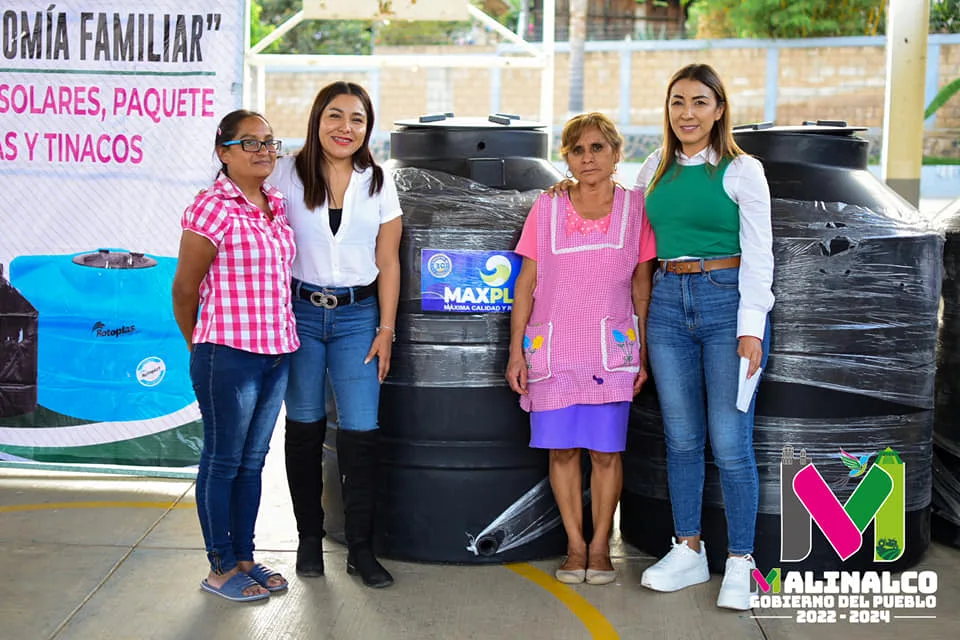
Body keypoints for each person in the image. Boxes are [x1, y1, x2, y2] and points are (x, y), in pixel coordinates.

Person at [634, 63, 774, 611]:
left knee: (731, 442)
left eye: (698, 102)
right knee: (682, 438)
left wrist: (751, 329)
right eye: (676, 103)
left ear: (719, 109)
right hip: (668, 303)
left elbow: (760, 255)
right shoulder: (653, 168)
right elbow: (622, 225)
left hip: (726, 301)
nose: (686, 114)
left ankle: (741, 560)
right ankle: (688, 548)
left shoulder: (743, 170)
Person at [506, 112, 656, 586]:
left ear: (616, 153)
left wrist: (645, 354)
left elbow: (642, 291)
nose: (587, 158)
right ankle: (574, 546)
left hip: (610, 350)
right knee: (562, 452)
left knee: (607, 453)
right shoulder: (545, 208)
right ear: (565, 157)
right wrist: (514, 352)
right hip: (551, 349)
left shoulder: (637, 209)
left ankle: (600, 546)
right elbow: (525, 286)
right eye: (577, 149)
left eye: (597, 148)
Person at [269, 81, 402, 589]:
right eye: (335, 116)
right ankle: (308, 540)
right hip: (298, 314)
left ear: (368, 128)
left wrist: (386, 329)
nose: (345, 128)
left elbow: (387, 261)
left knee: (361, 432)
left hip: (357, 318)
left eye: (357, 119)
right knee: (303, 429)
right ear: (316, 119)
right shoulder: (284, 172)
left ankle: (361, 550)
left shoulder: (377, 180)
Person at [172, 109, 298, 602]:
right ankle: (220, 567)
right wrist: (199, 344)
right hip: (226, 352)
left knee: (252, 461)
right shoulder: (211, 207)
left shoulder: (276, 203)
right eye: (251, 143)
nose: (265, 150)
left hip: (276, 351)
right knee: (223, 461)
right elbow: (184, 290)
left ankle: (245, 556)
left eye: (270, 142)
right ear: (223, 152)